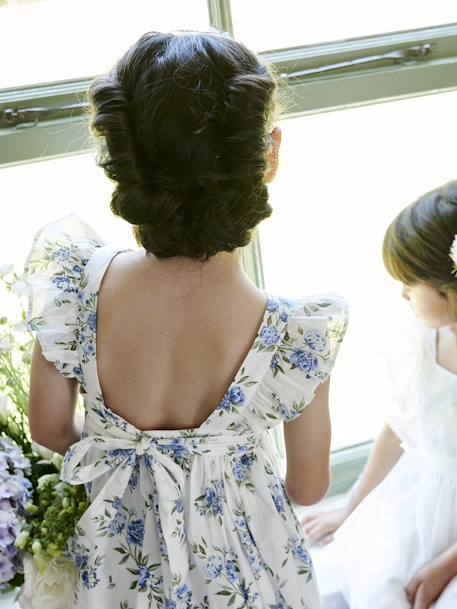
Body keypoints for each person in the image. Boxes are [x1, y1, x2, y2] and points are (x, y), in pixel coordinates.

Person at [22, 30, 348, 609]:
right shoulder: (296, 335)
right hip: (247, 575)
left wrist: (118, 461)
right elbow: (307, 486)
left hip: (114, 565)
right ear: (268, 154)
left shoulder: (75, 286)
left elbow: (48, 428)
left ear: (121, 161)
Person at [302, 180, 457, 609]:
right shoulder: (423, 340)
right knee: (375, 578)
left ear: (452, 290)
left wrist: (447, 563)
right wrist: (351, 506)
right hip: (417, 496)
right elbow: (399, 427)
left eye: (411, 283)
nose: (403, 294)